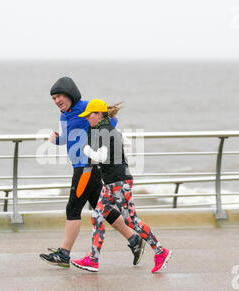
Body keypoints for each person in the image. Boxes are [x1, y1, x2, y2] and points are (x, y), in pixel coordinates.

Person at [39, 77, 145, 268]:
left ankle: (64, 254)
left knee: (73, 208)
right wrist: (57, 140)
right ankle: (134, 240)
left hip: (87, 167)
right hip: (81, 166)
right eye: (53, 98)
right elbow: (67, 138)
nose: (57, 101)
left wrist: (109, 145)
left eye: (60, 96)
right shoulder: (64, 115)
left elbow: (110, 122)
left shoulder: (86, 106)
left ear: (70, 93)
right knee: (103, 209)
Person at [70, 99, 172, 273]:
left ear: (98, 114)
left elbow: (101, 157)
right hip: (113, 182)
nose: (87, 118)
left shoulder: (102, 131)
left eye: (89, 115)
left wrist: (86, 150)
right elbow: (128, 143)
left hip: (117, 182)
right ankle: (93, 260)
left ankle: (161, 251)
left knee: (131, 220)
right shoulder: (112, 130)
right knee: (97, 215)